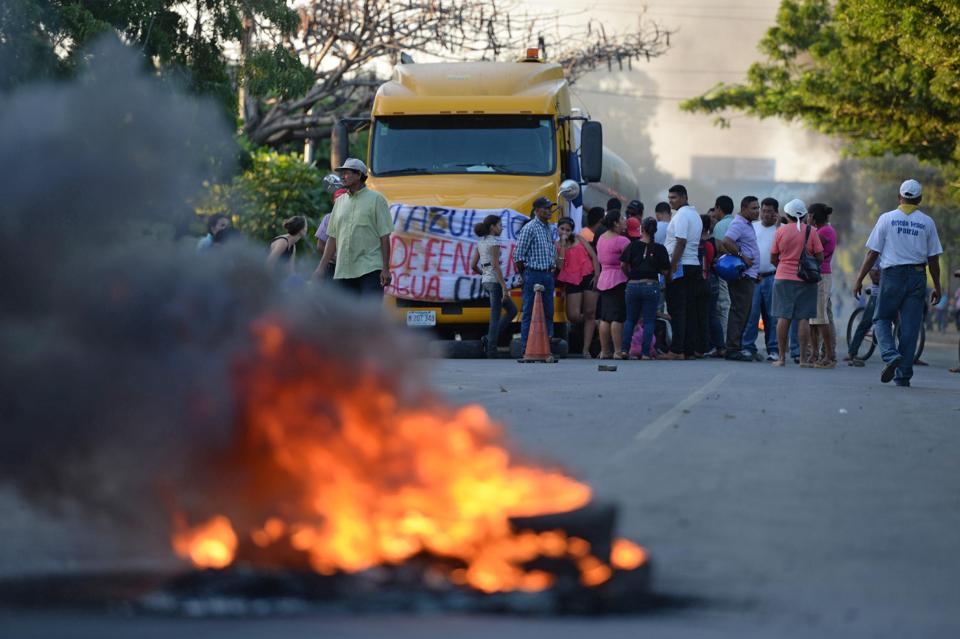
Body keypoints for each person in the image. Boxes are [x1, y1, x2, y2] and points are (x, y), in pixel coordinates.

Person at [853, 179, 942, 386]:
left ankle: (890, 354)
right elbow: (933, 259)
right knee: (910, 327)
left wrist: (859, 279)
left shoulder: (887, 219)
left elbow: (872, 253)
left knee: (881, 319)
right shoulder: (927, 222)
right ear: (919, 199)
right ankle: (903, 376)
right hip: (918, 277)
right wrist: (937, 285)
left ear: (899, 197)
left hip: (892, 276)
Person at [313, 158, 393, 295]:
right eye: (341, 173)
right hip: (344, 270)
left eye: (346, 173)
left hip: (370, 268)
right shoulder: (339, 202)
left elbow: (384, 236)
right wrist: (320, 268)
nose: (342, 177)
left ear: (359, 175)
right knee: (348, 315)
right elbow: (332, 237)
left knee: (369, 313)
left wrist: (386, 268)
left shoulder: (377, 199)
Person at [770, 199, 824, 367]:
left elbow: (773, 256)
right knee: (803, 318)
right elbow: (820, 257)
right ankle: (802, 359)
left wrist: (783, 266)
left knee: (783, 316)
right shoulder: (812, 231)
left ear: (788, 214)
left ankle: (781, 358)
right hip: (805, 280)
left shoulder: (780, 231)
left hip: (782, 278)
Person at [662, 184, 704, 360]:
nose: (670, 201)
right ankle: (687, 350)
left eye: (674, 197)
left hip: (681, 266)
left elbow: (680, 242)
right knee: (689, 310)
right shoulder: (695, 215)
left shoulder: (681, 216)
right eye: (669, 197)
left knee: (677, 309)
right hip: (693, 265)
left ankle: (676, 350)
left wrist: (671, 268)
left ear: (684, 198)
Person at [620, 217, 671, 359]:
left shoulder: (632, 245)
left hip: (633, 285)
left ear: (641, 229)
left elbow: (623, 265)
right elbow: (666, 271)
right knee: (649, 320)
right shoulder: (660, 249)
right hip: (651, 285)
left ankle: (624, 350)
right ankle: (645, 353)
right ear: (655, 230)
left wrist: (630, 276)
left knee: (630, 319)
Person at [515, 196, 559, 353]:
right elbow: (518, 256)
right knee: (529, 312)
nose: (549, 211)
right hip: (533, 274)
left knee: (548, 312)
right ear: (537, 210)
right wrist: (527, 274)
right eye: (546, 208)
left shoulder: (547, 228)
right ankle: (527, 347)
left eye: (549, 208)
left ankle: (545, 347)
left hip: (547, 275)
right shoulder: (530, 228)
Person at [720, 196, 761, 360]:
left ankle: (737, 346)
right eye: (754, 208)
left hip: (750, 275)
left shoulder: (747, 224)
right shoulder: (738, 223)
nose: (757, 211)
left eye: (757, 207)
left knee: (744, 312)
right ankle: (732, 349)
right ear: (744, 209)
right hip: (742, 276)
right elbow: (727, 241)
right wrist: (742, 256)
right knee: (739, 312)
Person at [471, 215, 518, 358]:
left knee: (511, 310)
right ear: (492, 227)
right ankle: (491, 349)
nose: (502, 227)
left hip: (486, 281)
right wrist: (504, 287)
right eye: (499, 225)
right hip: (494, 282)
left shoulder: (481, 242)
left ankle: (489, 338)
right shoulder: (494, 242)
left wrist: (484, 274)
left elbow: (473, 266)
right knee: (497, 315)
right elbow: (496, 266)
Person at [555, 216, 601, 358]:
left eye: (568, 230)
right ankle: (596, 322)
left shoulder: (580, 239)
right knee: (573, 315)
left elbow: (593, 256)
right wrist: (563, 245)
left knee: (590, 311)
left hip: (588, 275)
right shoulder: (556, 245)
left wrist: (597, 275)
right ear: (558, 229)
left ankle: (585, 349)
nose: (565, 232)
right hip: (571, 279)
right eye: (562, 229)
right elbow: (559, 266)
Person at [742, 197, 780, 361]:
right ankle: (748, 347)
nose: (764, 214)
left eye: (769, 211)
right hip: (753, 277)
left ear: (776, 214)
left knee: (772, 317)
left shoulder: (781, 230)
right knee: (752, 315)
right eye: (762, 210)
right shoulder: (752, 227)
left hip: (773, 277)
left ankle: (773, 349)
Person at [596, 211, 631, 358]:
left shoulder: (601, 239)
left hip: (604, 279)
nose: (625, 221)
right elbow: (628, 262)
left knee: (605, 317)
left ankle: (605, 351)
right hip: (619, 279)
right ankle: (617, 351)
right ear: (616, 223)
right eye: (622, 219)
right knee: (617, 317)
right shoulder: (623, 241)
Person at [809, 203, 838, 368]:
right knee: (814, 318)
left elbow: (810, 247)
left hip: (822, 275)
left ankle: (829, 355)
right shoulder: (820, 230)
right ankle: (815, 354)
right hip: (816, 275)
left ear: (813, 216)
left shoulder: (825, 231)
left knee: (821, 317)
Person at [699, 213, 723, 356]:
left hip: (702, 279)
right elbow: (722, 257)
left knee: (703, 315)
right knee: (713, 314)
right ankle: (720, 345)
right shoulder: (716, 242)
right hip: (714, 279)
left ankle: (707, 345)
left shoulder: (696, 242)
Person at [712, 195, 736, 343]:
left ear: (719, 208)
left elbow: (720, 248)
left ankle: (725, 341)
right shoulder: (737, 223)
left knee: (724, 305)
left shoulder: (720, 226)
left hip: (724, 270)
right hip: (739, 269)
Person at [846, 268, 880, 365]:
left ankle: (908, 354)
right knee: (865, 324)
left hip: (894, 292)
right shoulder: (878, 255)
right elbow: (873, 274)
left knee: (900, 325)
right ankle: (852, 352)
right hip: (877, 293)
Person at [314, 187, 349, 278]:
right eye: (337, 201)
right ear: (333, 202)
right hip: (333, 266)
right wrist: (336, 259)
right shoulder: (328, 218)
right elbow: (320, 245)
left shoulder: (356, 217)